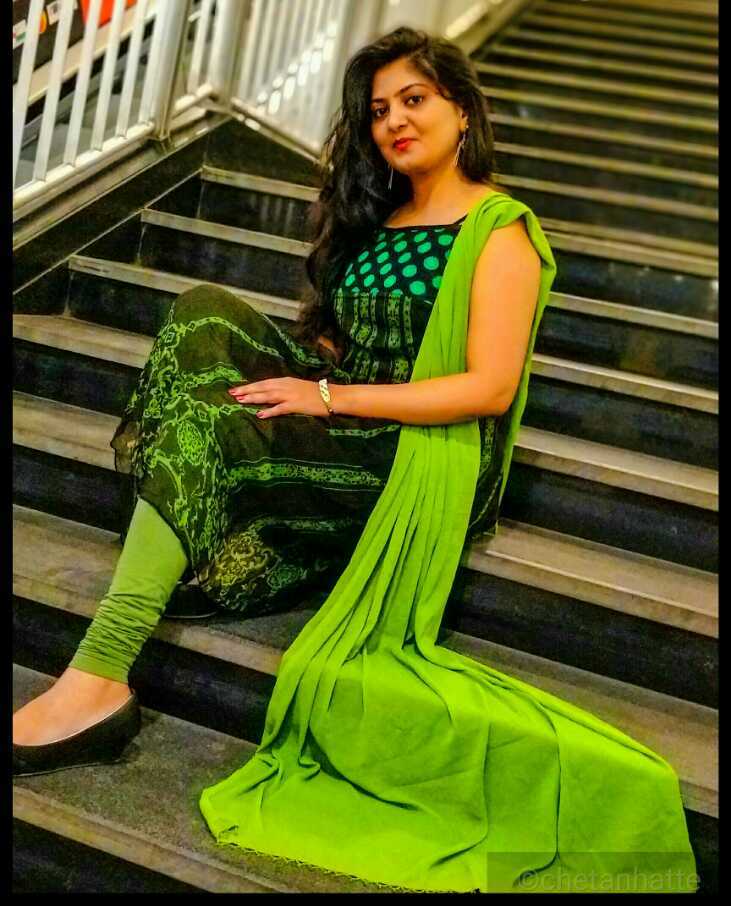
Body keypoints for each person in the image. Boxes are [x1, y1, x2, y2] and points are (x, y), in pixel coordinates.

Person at [13, 26, 696, 894]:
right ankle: (159, 569)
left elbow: (486, 387)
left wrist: (328, 400)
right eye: (377, 111)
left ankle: (100, 671)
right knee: (202, 313)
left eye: (414, 100)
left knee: (213, 426)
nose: (394, 122)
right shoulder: (380, 219)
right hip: (344, 407)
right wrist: (314, 380)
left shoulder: (499, 231)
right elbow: (339, 344)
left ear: (462, 109)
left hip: (413, 449)